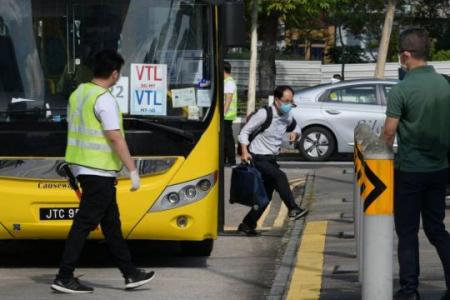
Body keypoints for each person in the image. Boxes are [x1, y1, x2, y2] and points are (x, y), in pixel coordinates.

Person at [51, 50, 155, 294]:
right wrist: (132, 170)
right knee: (84, 223)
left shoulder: (79, 94)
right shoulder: (104, 98)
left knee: (111, 224)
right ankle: (64, 276)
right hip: (97, 169)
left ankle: (130, 273)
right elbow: (114, 136)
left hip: (83, 166)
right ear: (115, 74)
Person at [382, 28, 450, 300]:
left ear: (406, 55)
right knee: (436, 228)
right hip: (440, 169)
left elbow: (388, 132)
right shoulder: (445, 84)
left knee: (407, 232)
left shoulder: (402, 89)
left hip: (410, 171)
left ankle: (410, 290)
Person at [237, 85, 308, 236]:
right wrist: (244, 152)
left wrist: (295, 134)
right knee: (280, 176)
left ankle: (247, 224)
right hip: (257, 157)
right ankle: (293, 209)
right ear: (277, 100)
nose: (290, 104)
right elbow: (244, 132)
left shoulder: (286, 116)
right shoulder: (264, 114)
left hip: (271, 159)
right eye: (286, 101)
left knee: (265, 197)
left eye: (291, 101)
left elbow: (297, 128)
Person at [223, 61, 238, 166]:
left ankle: (231, 160)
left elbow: (228, 98)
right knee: (225, 138)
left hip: (227, 115)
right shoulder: (227, 81)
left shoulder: (229, 82)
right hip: (227, 114)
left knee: (228, 138)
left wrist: (223, 112)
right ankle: (224, 159)